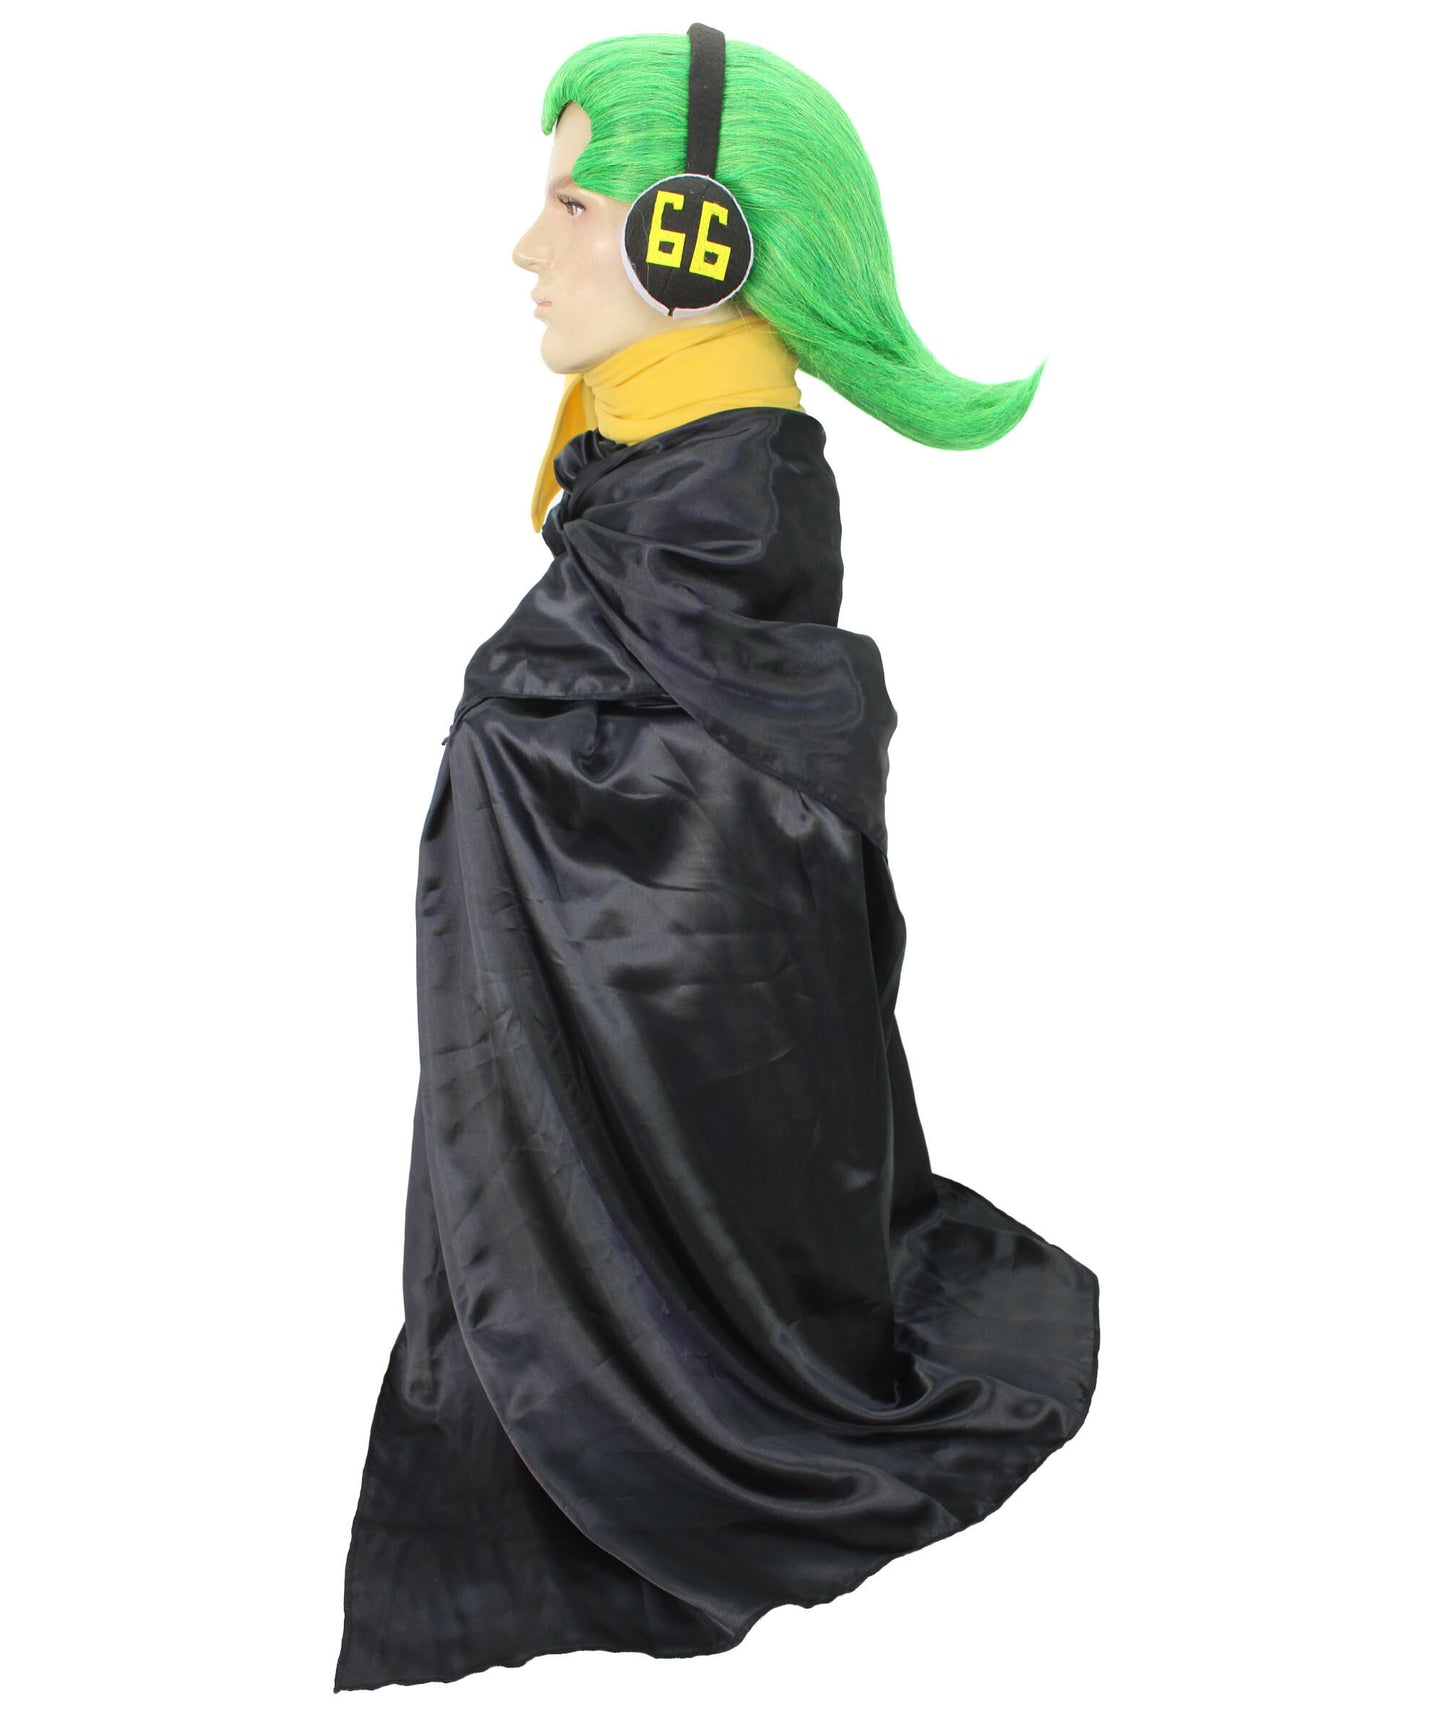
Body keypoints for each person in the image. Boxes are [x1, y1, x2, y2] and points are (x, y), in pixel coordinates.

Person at [334, 27, 1099, 1693]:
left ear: (701, 243)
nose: (525, 248)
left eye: (574, 207)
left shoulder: (694, 554)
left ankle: (657, 1407)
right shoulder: (657, 514)